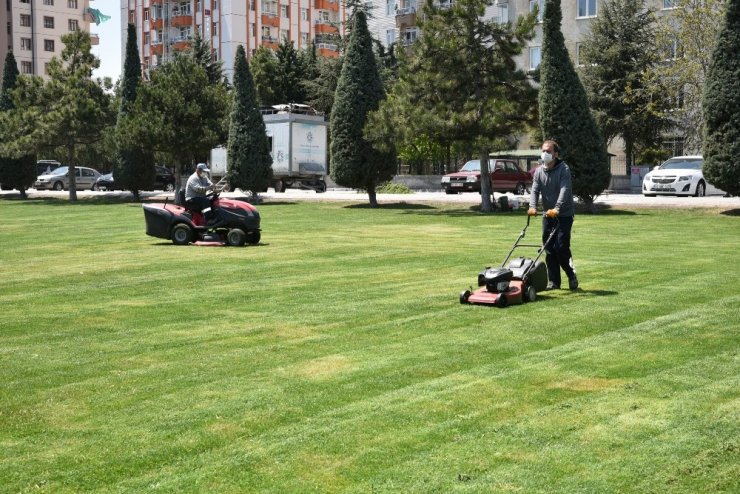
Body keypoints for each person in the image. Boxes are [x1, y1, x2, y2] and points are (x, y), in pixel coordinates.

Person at [527, 140, 578, 290]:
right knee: (549, 248)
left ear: (556, 154)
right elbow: (535, 190)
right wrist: (532, 206)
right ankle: (554, 282)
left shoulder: (564, 169)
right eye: (543, 150)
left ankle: (571, 274)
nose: (545, 153)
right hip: (547, 215)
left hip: (564, 214)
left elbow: (565, 189)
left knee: (561, 247)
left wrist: (557, 208)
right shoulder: (538, 171)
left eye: (548, 151)